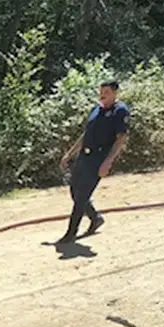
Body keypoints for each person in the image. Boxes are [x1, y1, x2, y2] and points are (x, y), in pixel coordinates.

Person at [57, 79, 129, 244]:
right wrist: (69, 154)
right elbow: (85, 135)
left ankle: (71, 233)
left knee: (82, 195)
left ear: (115, 93)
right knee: (75, 191)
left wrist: (108, 162)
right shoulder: (96, 109)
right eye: (101, 92)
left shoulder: (120, 111)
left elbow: (121, 138)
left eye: (107, 92)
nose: (103, 95)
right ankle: (95, 218)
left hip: (99, 158)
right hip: (84, 156)